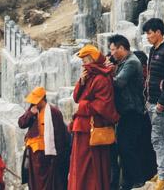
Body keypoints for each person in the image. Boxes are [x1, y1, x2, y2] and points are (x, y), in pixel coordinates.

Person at [68, 45, 118, 190]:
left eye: (86, 60)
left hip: (92, 128)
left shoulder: (102, 78)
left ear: (93, 60)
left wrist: (83, 106)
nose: (84, 64)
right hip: (82, 128)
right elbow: (76, 98)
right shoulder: (89, 76)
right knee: (80, 164)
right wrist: (81, 82)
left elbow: (103, 105)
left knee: (91, 166)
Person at [142, 18, 164, 189]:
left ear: (158, 32)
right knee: (162, 137)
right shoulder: (152, 50)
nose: (147, 36)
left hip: (161, 103)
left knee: (156, 138)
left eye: (149, 33)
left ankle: (163, 175)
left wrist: (161, 103)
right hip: (152, 101)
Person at [108, 35, 145, 190]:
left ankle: (138, 179)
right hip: (127, 110)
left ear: (122, 48)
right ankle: (129, 181)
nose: (111, 54)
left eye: (113, 50)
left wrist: (107, 73)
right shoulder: (124, 62)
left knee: (126, 146)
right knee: (124, 147)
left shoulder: (131, 63)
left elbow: (119, 83)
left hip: (132, 110)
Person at [17, 89, 69, 190]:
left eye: (36, 100)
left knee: (49, 183)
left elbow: (60, 135)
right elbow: (21, 123)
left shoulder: (54, 112)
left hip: (48, 153)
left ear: (42, 99)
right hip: (33, 152)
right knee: (34, 182)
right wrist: (30, 114)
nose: (33, 103)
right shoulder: (32, 110)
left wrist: (58, 155)